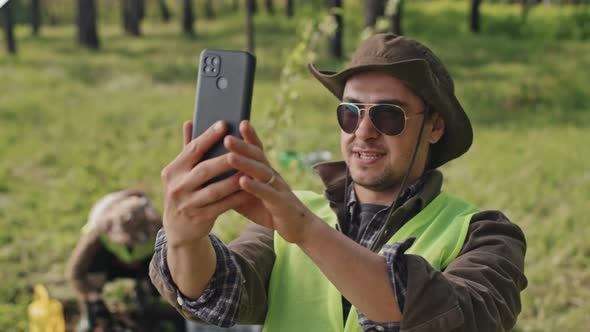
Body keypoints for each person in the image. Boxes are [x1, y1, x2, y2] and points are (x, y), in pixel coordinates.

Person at [149, 33, 528, 332]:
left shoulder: (484, 234)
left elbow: (457, 318)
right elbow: (219, 294)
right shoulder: (291, 216)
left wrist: (307, 231)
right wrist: (185, 239)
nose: (363, 132)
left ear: (435, 126)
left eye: (388, 115)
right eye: (350, 113)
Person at [66, 190, 163, 331]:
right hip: (110, 265)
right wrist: (92, 296)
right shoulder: (97, 232)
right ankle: (90, 315)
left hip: (144, 267)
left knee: (160, 274)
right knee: (91, 276)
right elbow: (75, 273)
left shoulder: (159, 229)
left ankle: (147, 302)